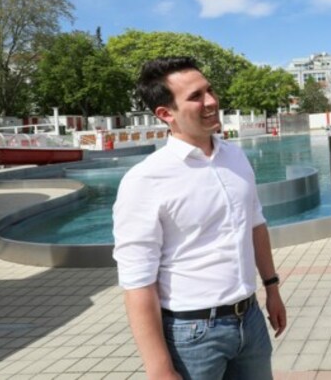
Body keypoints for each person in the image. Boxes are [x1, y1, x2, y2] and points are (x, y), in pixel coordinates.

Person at [113, 57, 286, 380]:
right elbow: (138, 281)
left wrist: (272, 288)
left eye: (210, 90)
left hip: (249, 320)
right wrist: (159, 368)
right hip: (192, 335)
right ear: (166, 114)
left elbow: (255, 225)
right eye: (196, 96)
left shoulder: (235, 156)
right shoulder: (145, 180)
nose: (211, 101)